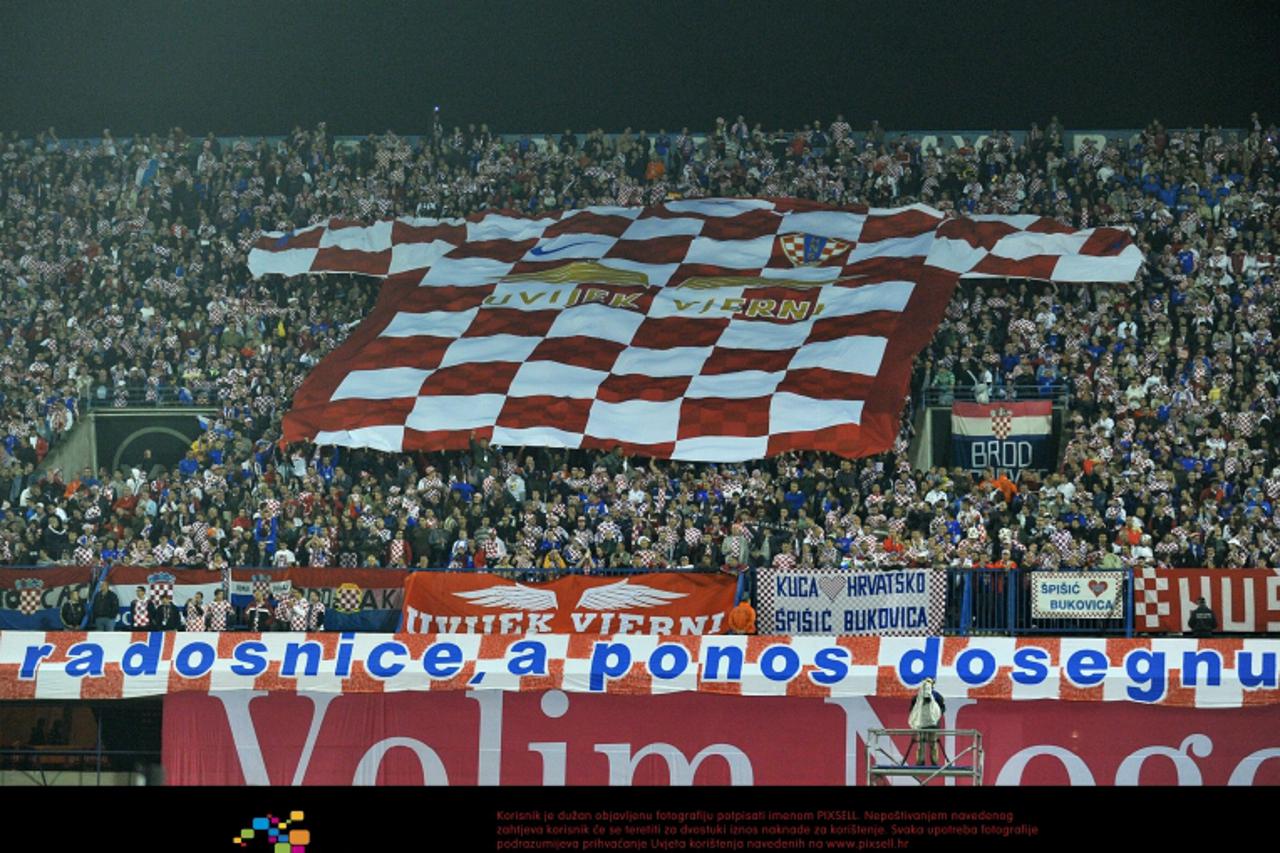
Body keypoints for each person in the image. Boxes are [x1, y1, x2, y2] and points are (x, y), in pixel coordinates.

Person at [908, 678, 946, 765]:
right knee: (921, 743)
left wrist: (936, 716)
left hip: (932, 725)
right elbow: (913, 709)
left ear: (932, 684)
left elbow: (942, 708)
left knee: (932, 743)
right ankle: (921, 762)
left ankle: (934, 762)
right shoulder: (918, 697)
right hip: (922, 724)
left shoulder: (937, 696)